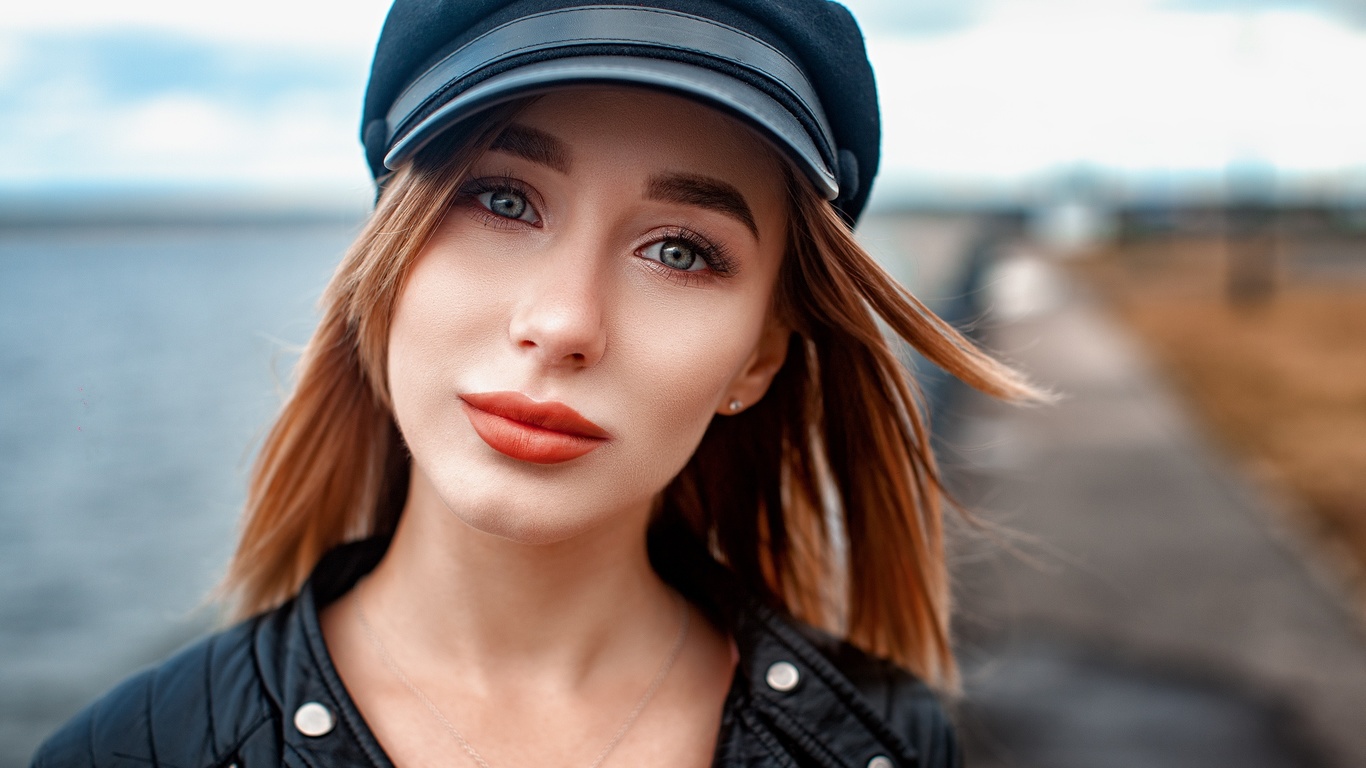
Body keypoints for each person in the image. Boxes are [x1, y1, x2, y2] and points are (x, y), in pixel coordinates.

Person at [32, 1, 1037, 766]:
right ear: (389, 262)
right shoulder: (134, 749)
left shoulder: (883, 744)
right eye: (503, 198)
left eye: (681, 251)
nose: (561, 323)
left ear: (757, 359)